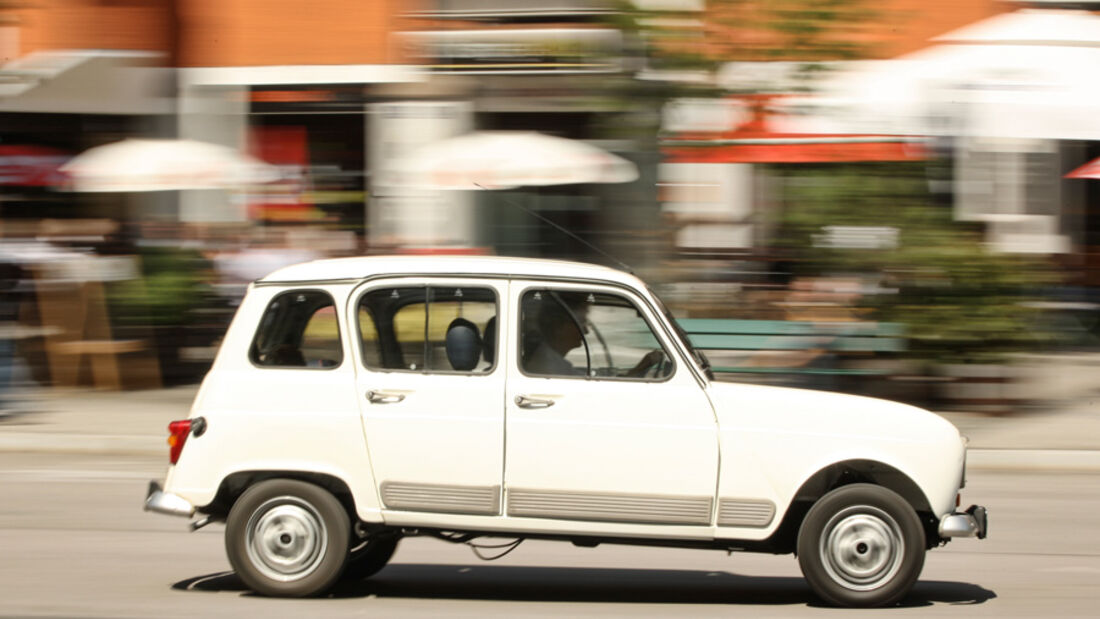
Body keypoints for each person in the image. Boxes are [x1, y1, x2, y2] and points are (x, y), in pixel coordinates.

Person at [524, 291, 664, 378]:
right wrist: (640, 368)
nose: (586, 331)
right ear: (561, 326)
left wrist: (640, 367)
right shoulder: (549, 365)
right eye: (581, 322)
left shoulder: (554, 361)